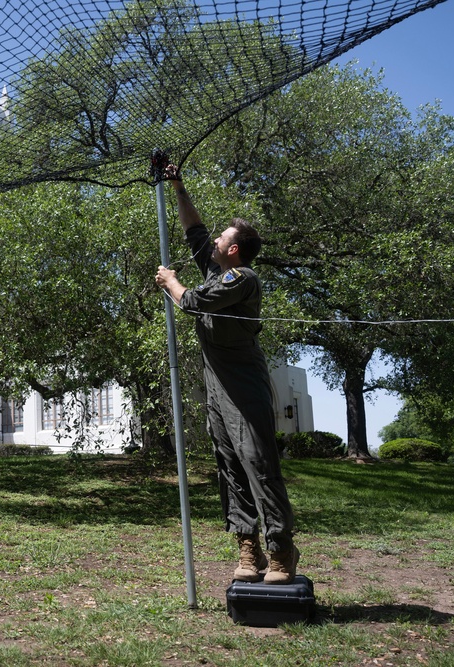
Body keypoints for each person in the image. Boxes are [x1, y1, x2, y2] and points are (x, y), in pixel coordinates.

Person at [154, 165, 298, 584]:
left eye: (223, 238)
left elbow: (194, 301)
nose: (215, 240)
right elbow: (195, 232)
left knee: (258, 462)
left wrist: (172, 282)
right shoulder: (220, 267)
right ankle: (247, 548)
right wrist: (178, 187)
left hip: (244, 384)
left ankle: (282, 550)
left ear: (234, 251)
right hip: (217, 387)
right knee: (229, 465)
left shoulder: (242, 278)